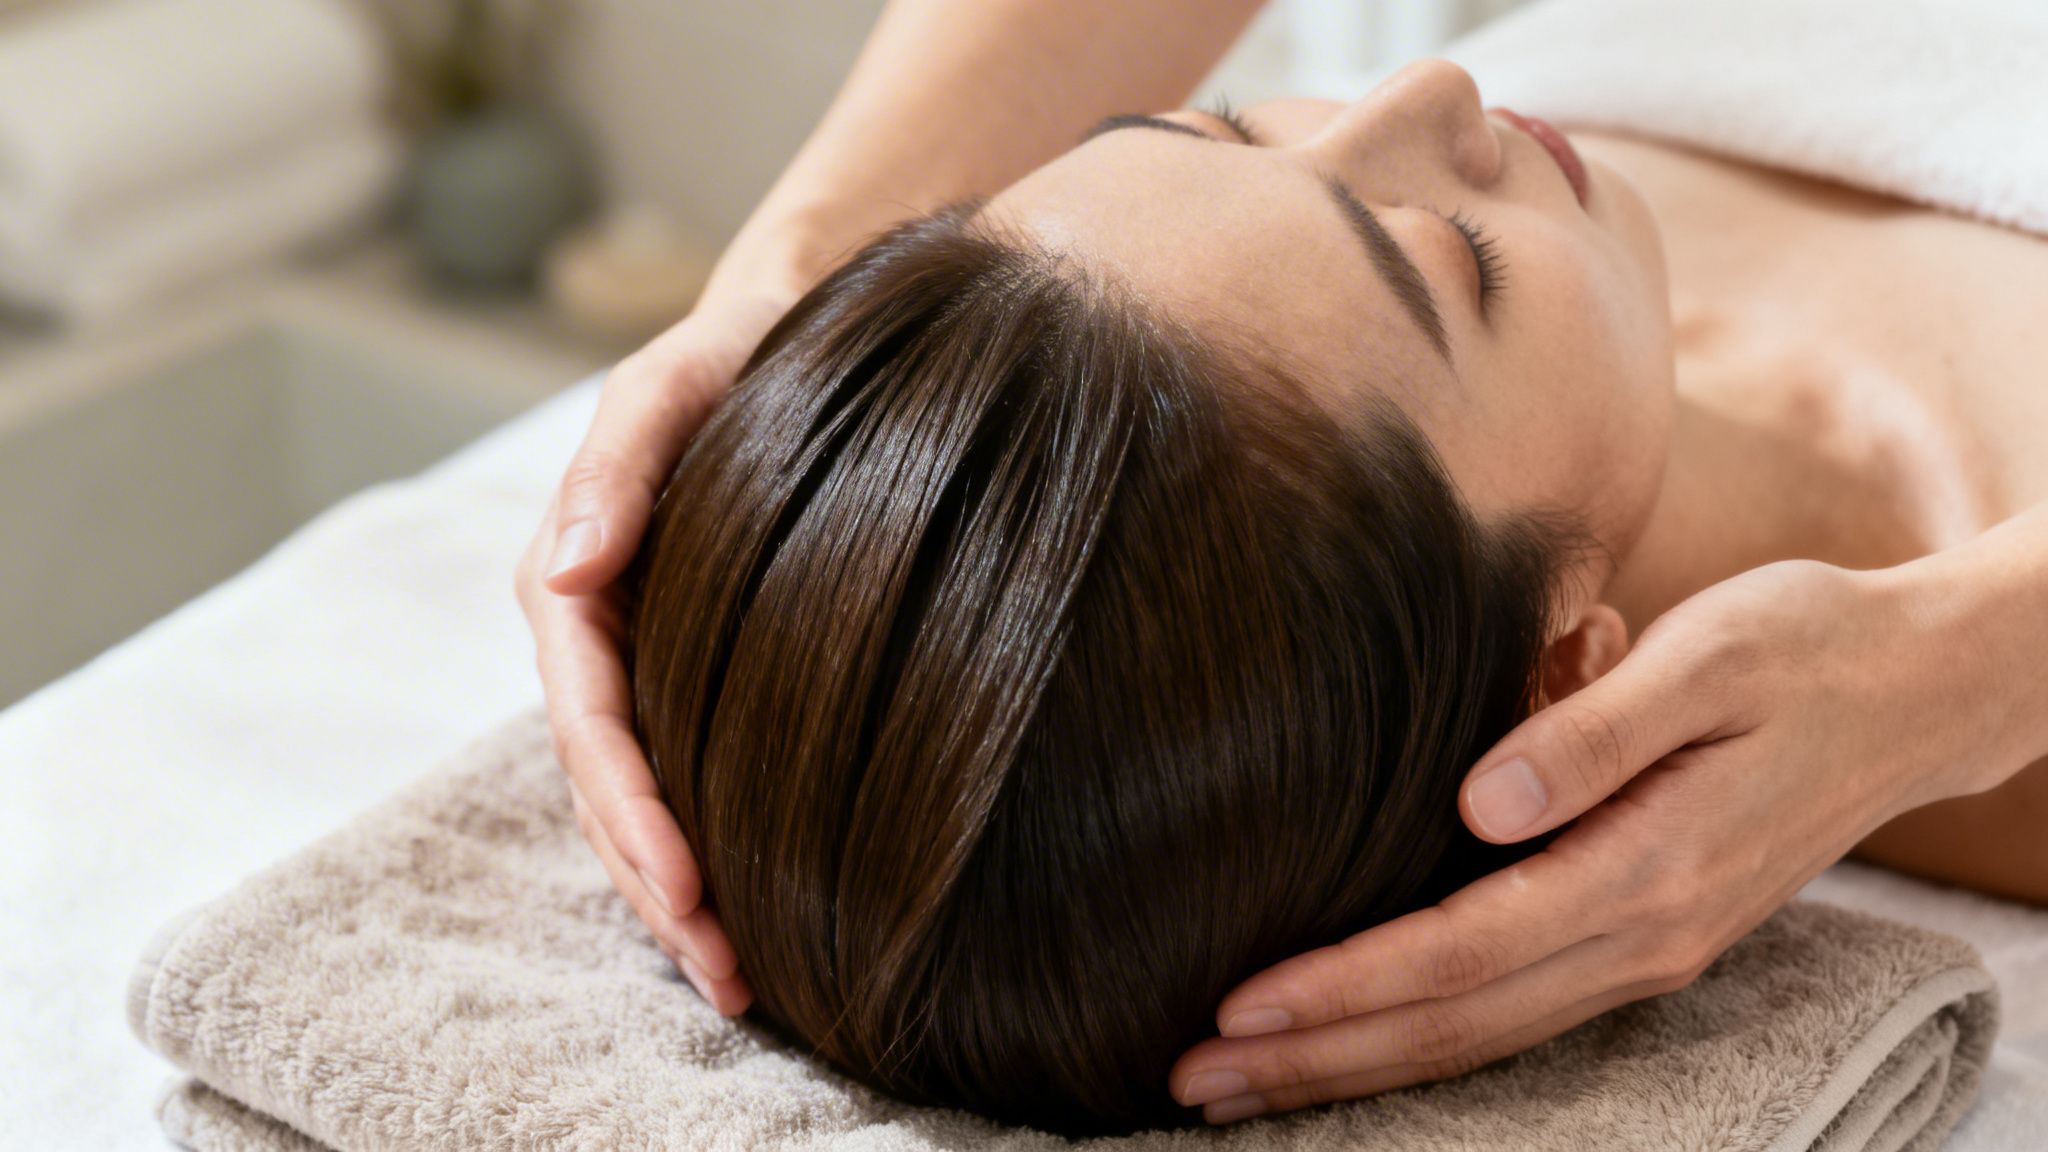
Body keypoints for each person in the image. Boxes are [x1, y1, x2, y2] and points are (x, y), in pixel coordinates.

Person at [513, 0, 2048, 1129]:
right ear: (1560, 684)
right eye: (1456, 263)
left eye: (1232, 127)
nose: (1432, 84)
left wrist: (804, 281)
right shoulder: (1991, 673)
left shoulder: (1528, 268)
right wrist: (1979, 664)